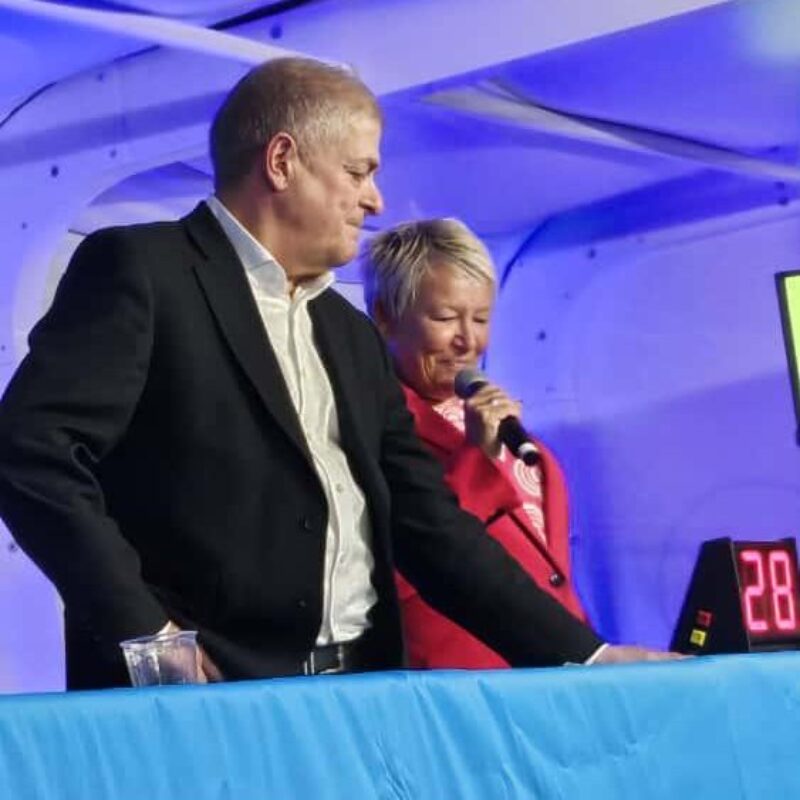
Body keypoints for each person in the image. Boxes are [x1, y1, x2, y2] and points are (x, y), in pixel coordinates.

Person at [0, 57, 668, 691]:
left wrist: (586, 654)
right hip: (202, 703)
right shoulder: (143, 271)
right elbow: (30, 453)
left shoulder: (349, 335)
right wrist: (148, 638)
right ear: (284, 161)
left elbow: (428, 525)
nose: (375, 200)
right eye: (359, 171)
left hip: (361, 699)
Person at [361, 219, 587, 668]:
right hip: (457, 695)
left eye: (481, 318)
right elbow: (394, 577)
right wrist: (475, 458)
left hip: (552, 681)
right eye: (445, 318)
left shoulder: (520, 440)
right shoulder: (370, 430)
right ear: (385, 316)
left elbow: (555, 578)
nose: (468, 341)